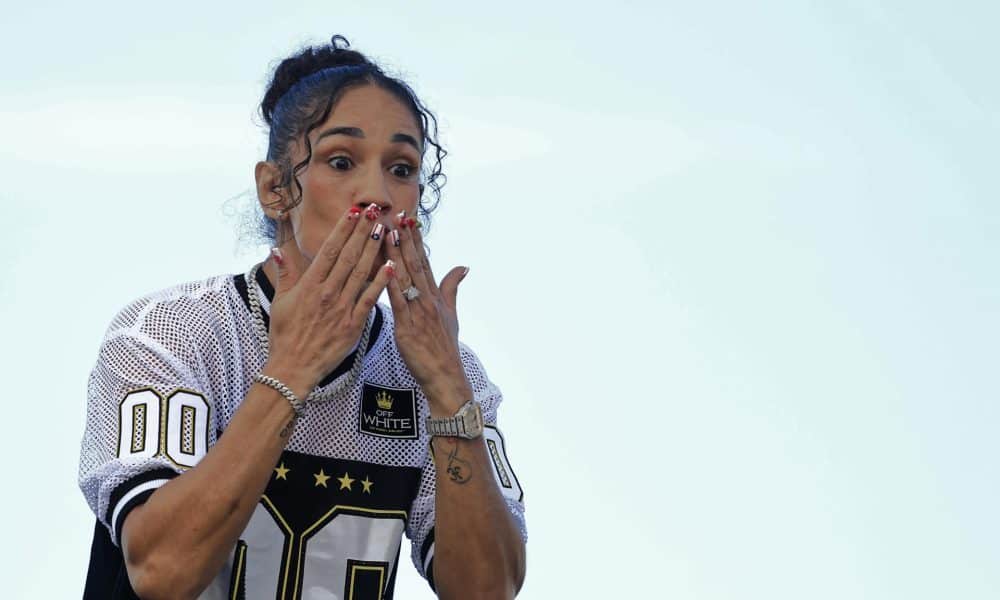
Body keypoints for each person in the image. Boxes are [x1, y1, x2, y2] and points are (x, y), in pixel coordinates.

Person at [78, 34, 527, 599]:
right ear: (273, 189)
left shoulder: (448, 373)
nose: (378, 193)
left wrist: (445, 391)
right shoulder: (171, 334)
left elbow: (488, 591)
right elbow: (161, 572)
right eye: (342, 161)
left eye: (402, 168)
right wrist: (292, 369)